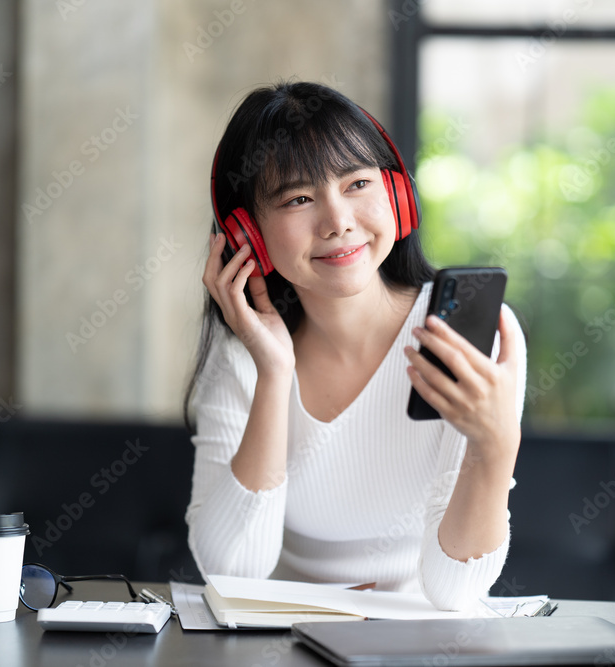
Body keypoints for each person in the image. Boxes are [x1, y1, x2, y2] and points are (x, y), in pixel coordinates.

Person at [184, 81, 527, 611]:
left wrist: (497, 444)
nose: (338, 221)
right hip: (284, 644)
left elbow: (456, 590)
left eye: (358, 184)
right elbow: (232, 570)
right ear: (248, 235)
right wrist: (274, 374)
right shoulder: (242, 356)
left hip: (423, 644)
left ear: (397, 199)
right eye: (298, 198)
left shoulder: (472, 333)